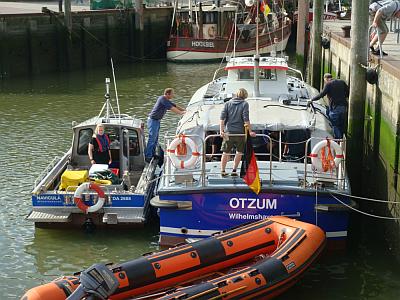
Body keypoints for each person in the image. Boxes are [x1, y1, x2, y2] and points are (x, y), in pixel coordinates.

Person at [220, 88, 256, 177]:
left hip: (228, 132)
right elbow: (246, 119)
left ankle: (223, 171)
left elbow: (222, 118)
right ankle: (234, 170)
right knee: (239, 152)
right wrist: (250, 131)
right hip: (240, 133)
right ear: (245, 96)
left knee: (225, 152)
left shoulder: (227, 104)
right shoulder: (245, 104)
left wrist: (221, 130)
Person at [144, 88, 186, 163]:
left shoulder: (166, 100)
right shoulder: (162, 99)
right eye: (172, 94)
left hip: (157, 121)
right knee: (152, 138)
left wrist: (185, 110)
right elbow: (172, 108)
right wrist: (181, 113)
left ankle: (152, 154)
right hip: (153, 121)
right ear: (167, 94)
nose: (173, 95)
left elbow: (175, 106)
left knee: (155, 139)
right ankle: (148, 156)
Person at [309, 73, 349, 139]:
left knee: (335, 125)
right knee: (341, 125)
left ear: (326, 79)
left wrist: (312, 100)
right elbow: (347, 92)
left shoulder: (328, 84)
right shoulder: (341, 82)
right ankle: (342, 142)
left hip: (334, 108)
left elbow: (321, 95)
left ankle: (338, 141)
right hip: (343, 107)